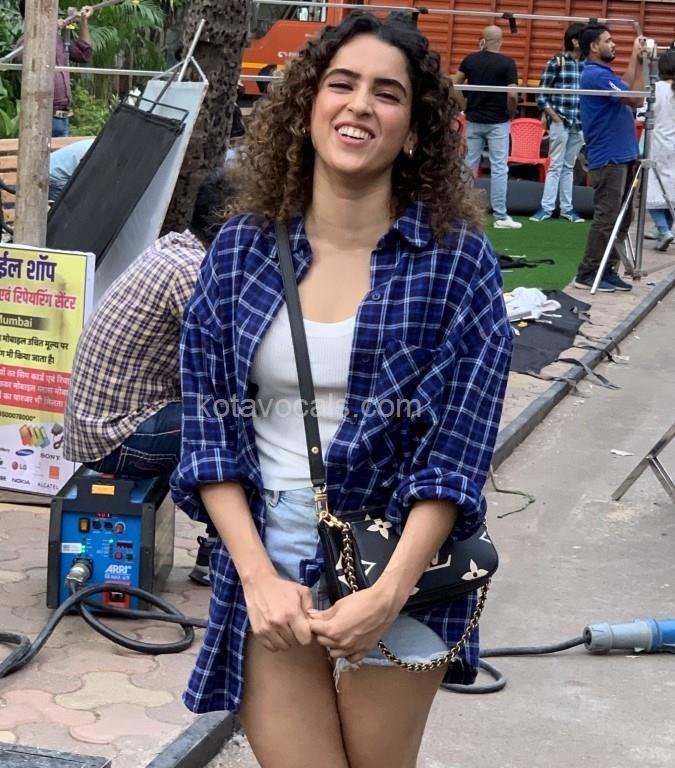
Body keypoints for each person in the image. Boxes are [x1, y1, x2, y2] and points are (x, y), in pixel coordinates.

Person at [171, 12, 512, 767]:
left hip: (399, 558)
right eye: (342, 84)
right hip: (271, 560)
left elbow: (455, 456)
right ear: (308, 106)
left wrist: (388, 594)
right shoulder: (241, 250)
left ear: (414, 131)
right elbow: (209, 435)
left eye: (387, 94)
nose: (360, 105)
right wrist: (257, 577)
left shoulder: (458, 265)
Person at [63, 169, 235, 586]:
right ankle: (221, 552)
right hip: (115, 436)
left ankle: (219, 546)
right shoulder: (191, 271)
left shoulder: (175, 249)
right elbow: (227, 362)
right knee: (241, 421)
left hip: (101, 425)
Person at [573, 25, 646, 292]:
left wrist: (637, 60)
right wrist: (636, 56)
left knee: (623, 218)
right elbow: (635, 99)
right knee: (607, 217)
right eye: (608, 40)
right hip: (609, 157)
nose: (614, 44)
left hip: (623, 155)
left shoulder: (605, 75)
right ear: (594, 47)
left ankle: (607, 268)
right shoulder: (595, 75)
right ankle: (588, 272)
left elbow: (626, 85)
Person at [452, 25, 521, 229]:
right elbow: (512, 95)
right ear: (500, 41)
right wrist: (510, 113)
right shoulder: (508, 63)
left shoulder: (470, 60)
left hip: (474, 120)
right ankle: (500, 216)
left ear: (482, 40)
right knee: (499, 168)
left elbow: (454, 86)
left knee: (468, 166)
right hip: (498, 122)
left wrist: (465, 106)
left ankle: (460, 211)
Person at [530, 23, 586, 223]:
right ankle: (547, 208)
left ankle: (566, 209)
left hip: (579, 123)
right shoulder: (557, 61)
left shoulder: (588, 65)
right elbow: (541, 93)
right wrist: (554, 116)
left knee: (568, 166)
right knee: (555, 165)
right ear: (575, 41)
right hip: (561, 120)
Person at [17, 3, 95, 137]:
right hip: (40, 115)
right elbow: (25, 60)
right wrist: (47, 31)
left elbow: (84, 53)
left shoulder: (58, 40)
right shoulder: (25, 42)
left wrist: (83, 21)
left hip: (62, 118)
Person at [646, 50, 675, 251]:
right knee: (672, 190)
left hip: (658, 145)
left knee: (653, 189)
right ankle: (666, 230)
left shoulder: (656, 89)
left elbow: (642, 113)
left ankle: (663, 230)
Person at [48, 137, 95, 202]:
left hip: (52, 167)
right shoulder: (99, 152)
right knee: (72, 204)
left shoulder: (97, 144)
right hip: (56, 175)